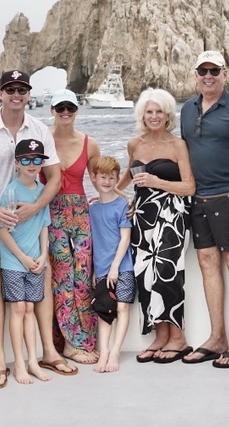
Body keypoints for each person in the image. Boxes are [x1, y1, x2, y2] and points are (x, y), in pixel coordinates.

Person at [0, 71, 72, 390]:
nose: (16, 94)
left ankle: (48, 352)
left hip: (31, 213)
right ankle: (0, 359)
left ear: (28, 93)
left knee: (43, 273)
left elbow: (53, 176)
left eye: (22, 89)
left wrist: (36, 208)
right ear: (0, 93)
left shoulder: (39, 129)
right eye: (10, 89)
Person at [180, 50, 229, 368]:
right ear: (196, 74)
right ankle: (217, 337)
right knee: (207, 262)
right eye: (203, 71)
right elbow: (183, 155)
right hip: (198, 199)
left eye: (215, 70)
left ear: (225, 74)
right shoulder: (187, 109)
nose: (208, 76)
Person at [118, 88, 195, 363]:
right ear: (142, 115)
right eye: (149, 111)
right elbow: (129, 173)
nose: (154, 116)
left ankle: (179, 338)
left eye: (159, 111)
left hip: (172, 213)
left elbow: (189, 186)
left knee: (166, 271)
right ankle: (160, 337)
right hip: (142, 214)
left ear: (167, 115)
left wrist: (157, 182)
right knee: (146, 275)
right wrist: (110, 194)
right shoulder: (134, 144)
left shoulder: (177, 145)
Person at [45, 89, 100, 364]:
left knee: (83, 276)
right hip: (51, 214)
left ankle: (84, 340)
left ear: (76, 110)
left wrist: (116, 201)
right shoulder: (43, 141)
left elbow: (103, 178)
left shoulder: (89, 143)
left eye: (70, 107)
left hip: (80, 214)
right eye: (60, 107)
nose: (65, 112)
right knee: (62, 277)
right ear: (52, 110)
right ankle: (67, 342)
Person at [0, 139, 53, 385]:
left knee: (30, 308)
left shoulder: (42, 191)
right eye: (27, 160)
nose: (32, 165)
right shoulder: (10, 192)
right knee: (18, 308)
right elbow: (2, 230)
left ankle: (33, 360)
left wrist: (43, 256)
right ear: (17, 163)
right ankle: (18, 362)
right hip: (13, 260)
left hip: (35, 260)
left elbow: (44, 226)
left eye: (37, 160)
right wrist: (21, 257)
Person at [87, 156, 134, 373]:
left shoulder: (123, 206)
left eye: (112, 178)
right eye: (103, 177)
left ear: (117, 179)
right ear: (94, 178)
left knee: (122, 307)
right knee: (104, 311)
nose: (107, 182)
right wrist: (97, 270)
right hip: (102, 268)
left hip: (122, 267)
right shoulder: (92, 208)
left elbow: (125, 239)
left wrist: (115, 266)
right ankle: (103, 351)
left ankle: (115, 351)